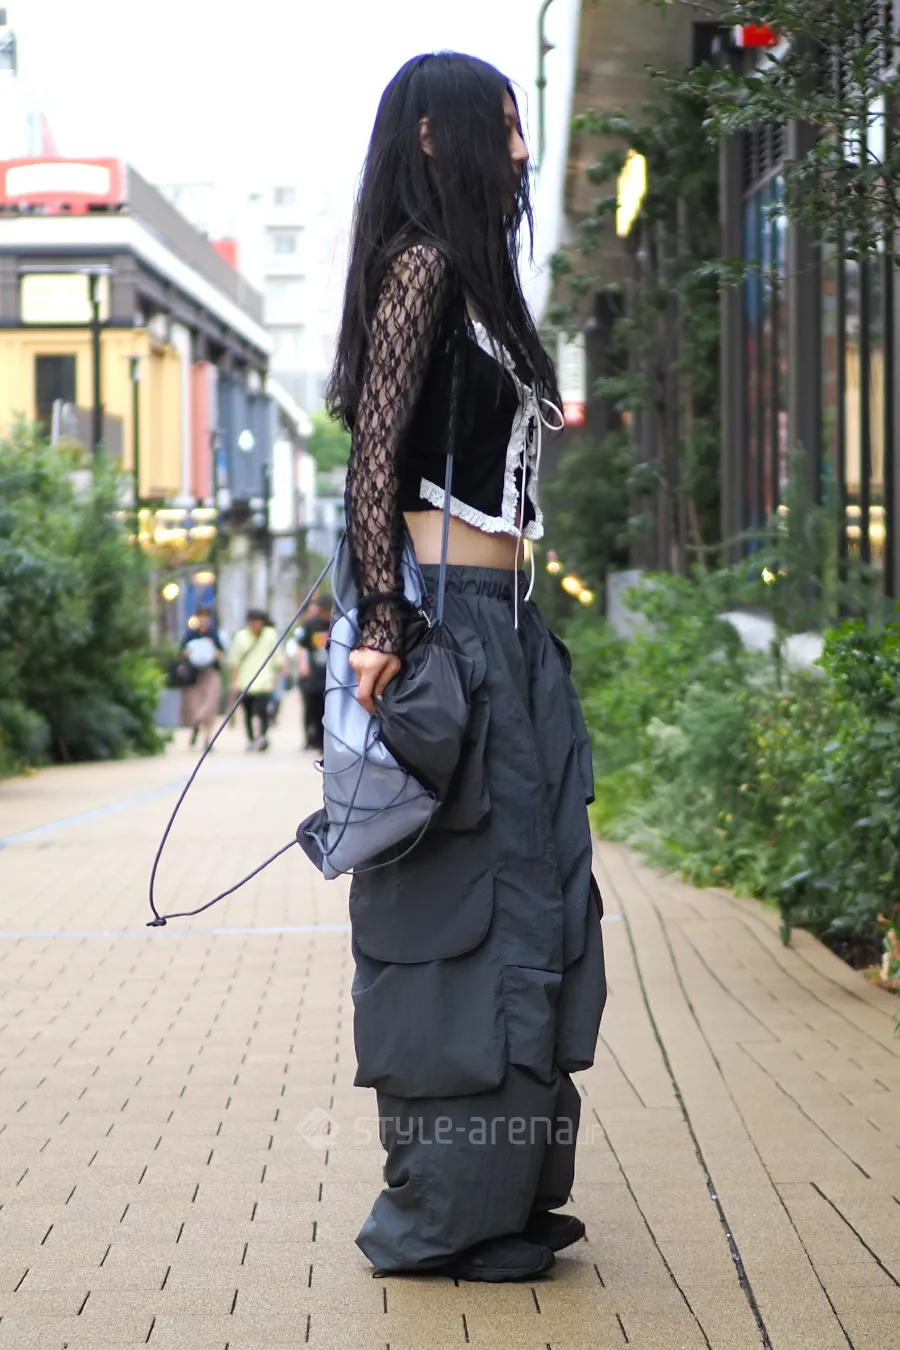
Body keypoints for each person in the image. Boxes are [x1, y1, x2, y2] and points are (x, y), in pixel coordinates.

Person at [327, 52, 607, 1283]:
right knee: (459, 916)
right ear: (436, 139)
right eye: (501, 124)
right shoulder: (420, 269)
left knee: (537, 902)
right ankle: (445, 1216)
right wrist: (383, 622)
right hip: (445, 627)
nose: (522, 147)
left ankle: (508, 1195)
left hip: (509, 628)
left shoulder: (482, 284)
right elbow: (373, 460)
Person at [227, 608, 284, 752]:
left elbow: (277, 658)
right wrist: (234, 681)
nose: (255, 624)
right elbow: (235, 661)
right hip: (245, 681)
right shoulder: (241, 637)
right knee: (248, 713)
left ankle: (263, 736)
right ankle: (251, 738)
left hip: (264, 681)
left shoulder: (270, 635)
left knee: (263, 711)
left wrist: (276, 678)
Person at [178, 605, 224, 752]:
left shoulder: (213, 634)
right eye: (201, 616)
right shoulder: (190, 634)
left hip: (210, 673)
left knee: (209, 705)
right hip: (195, 675)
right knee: (194, 706)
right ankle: (196, 728)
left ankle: (207, 739)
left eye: (206, 617)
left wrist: (213, 653)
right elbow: (182, 651)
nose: (203, 620)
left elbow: (221, 652)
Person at [295, 596, 332, 751]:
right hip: (314, 675)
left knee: (328, 709)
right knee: (313, 709)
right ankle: (313, 739)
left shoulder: (338, 623)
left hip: (332, 676)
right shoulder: (311, 626)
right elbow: (301, 647)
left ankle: (324, 743)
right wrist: (303, 665)